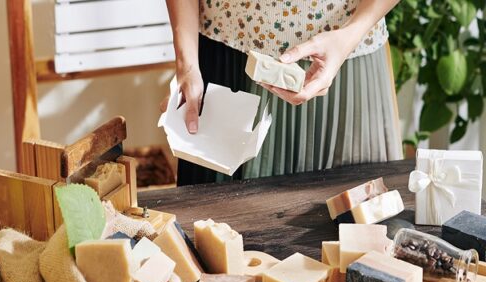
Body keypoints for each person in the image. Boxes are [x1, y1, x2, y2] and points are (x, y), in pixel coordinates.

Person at [164, 0, 403, 186]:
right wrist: (187, 64)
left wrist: (351, 34)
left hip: (345, 60)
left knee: (356, 233)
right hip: (228, 58)